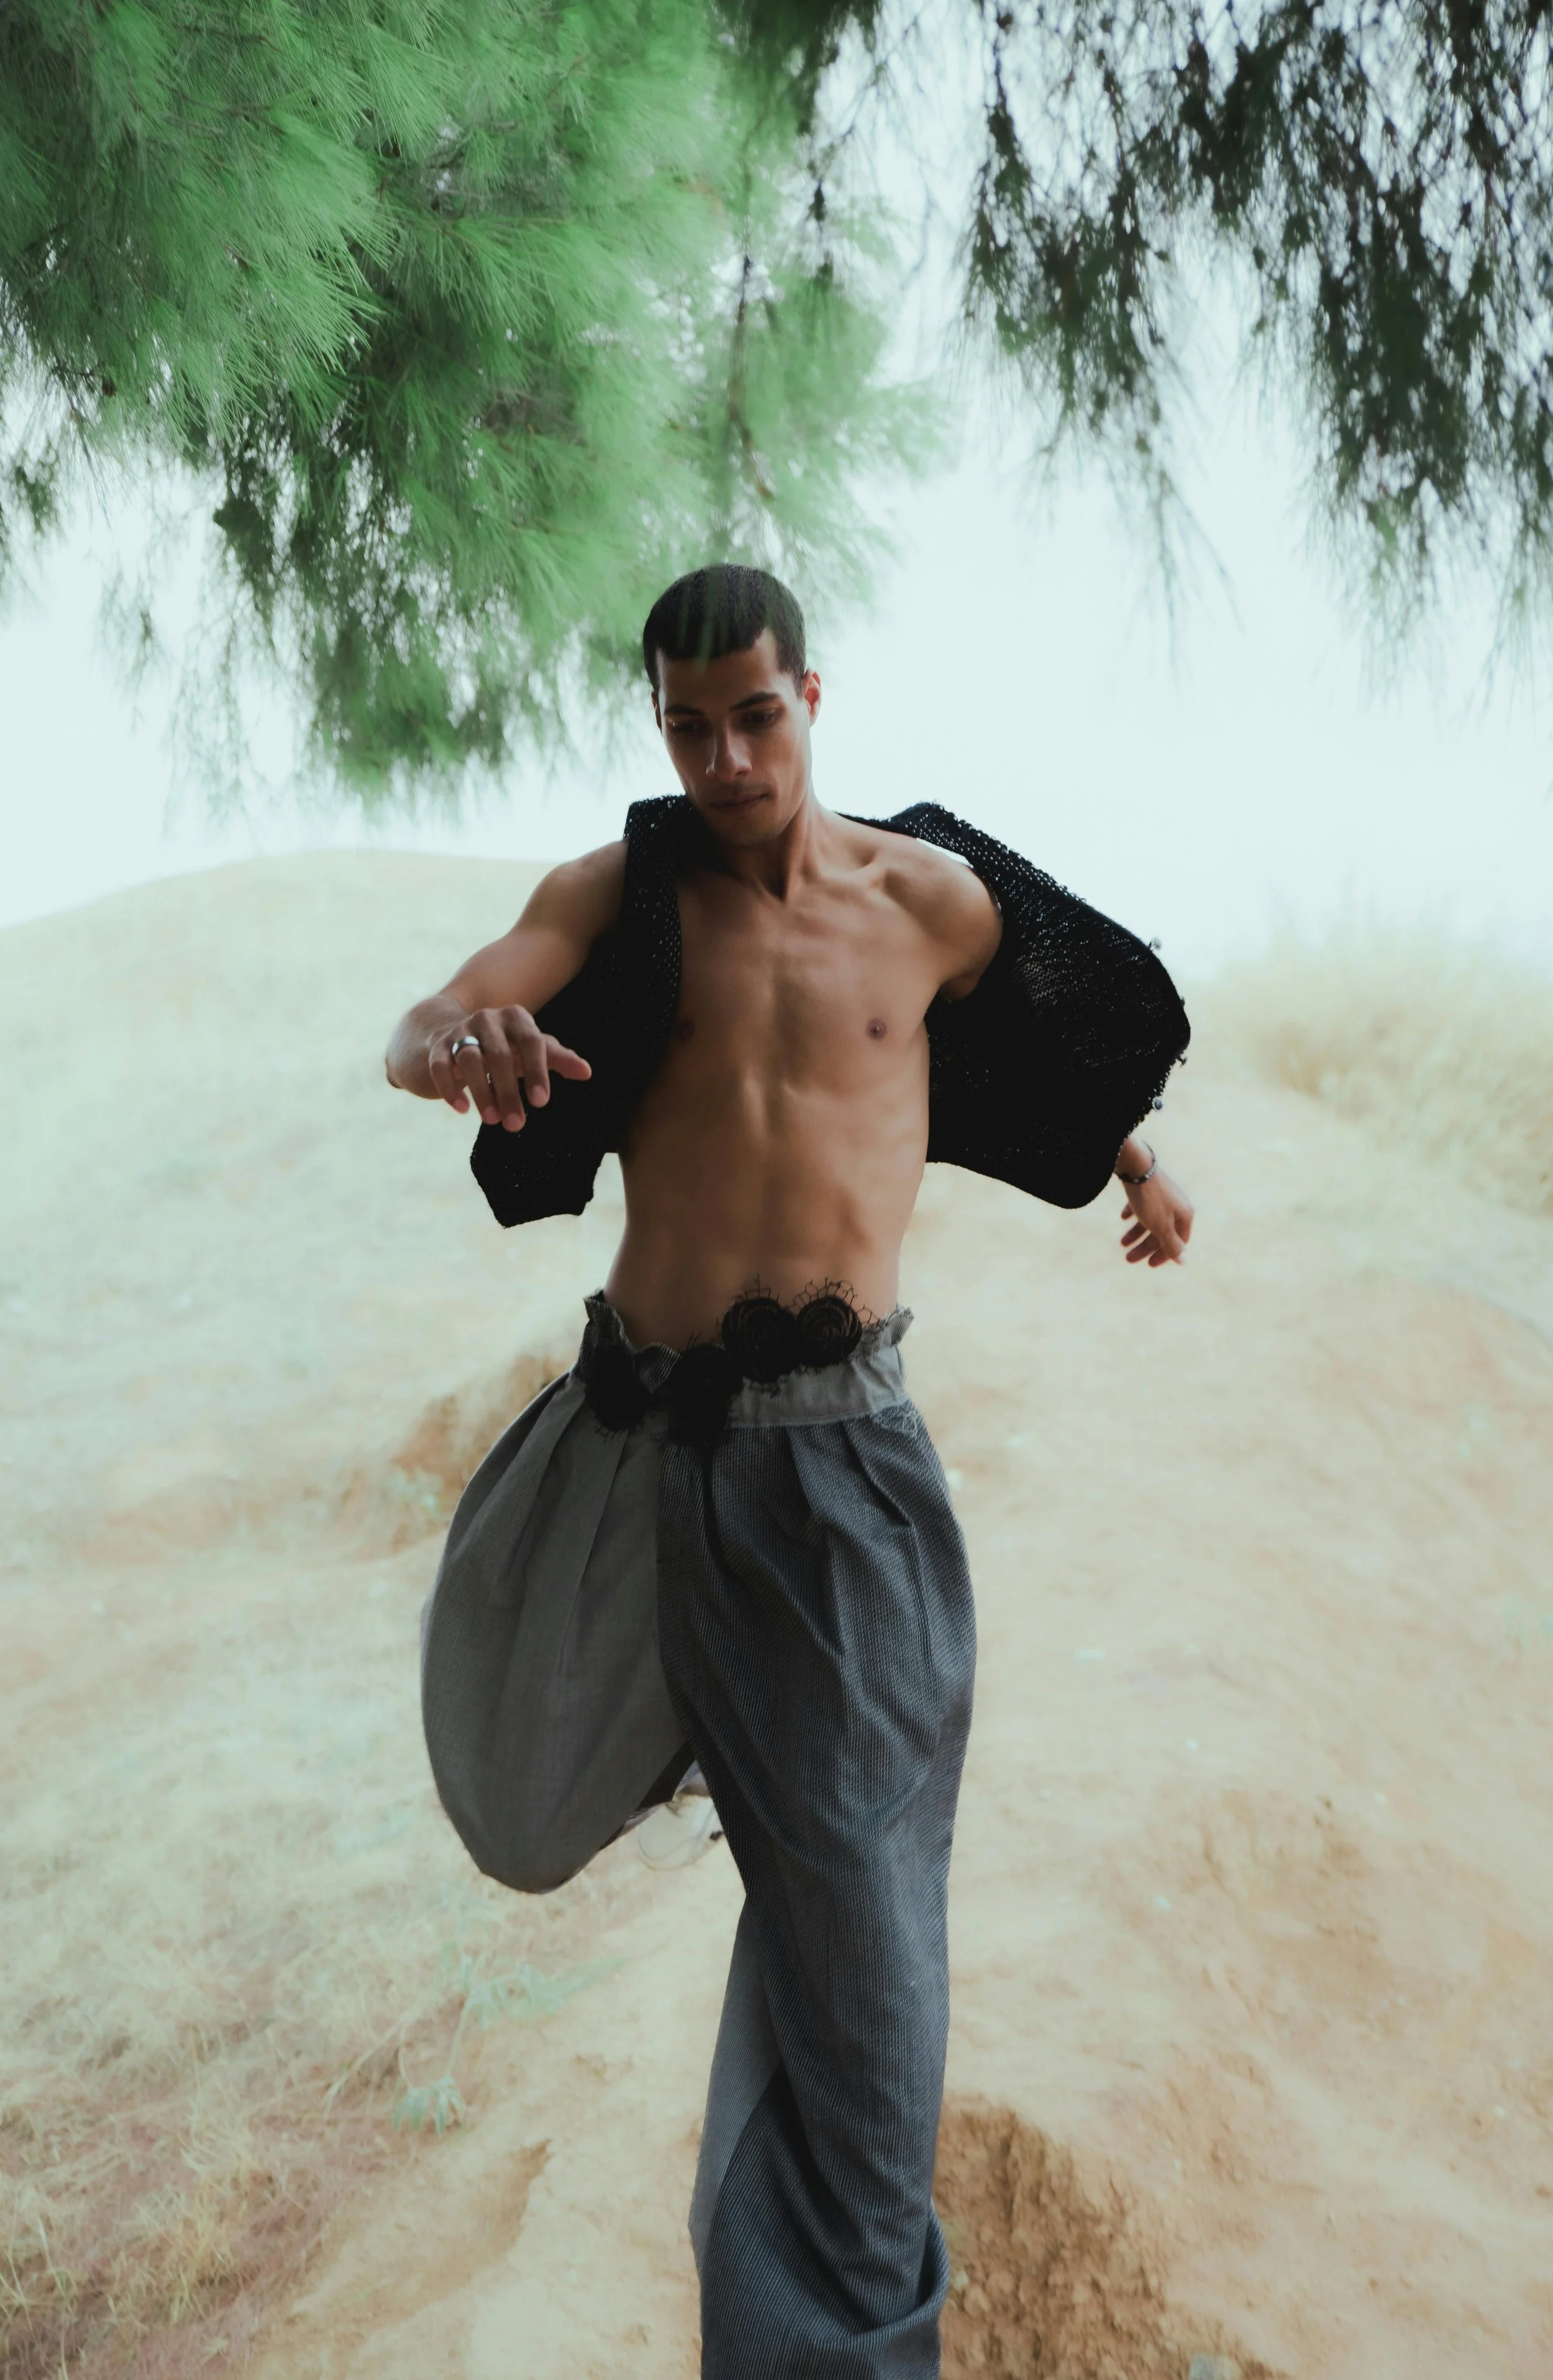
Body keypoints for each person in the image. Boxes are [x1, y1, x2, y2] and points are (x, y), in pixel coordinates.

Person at [385, 565, 1193, 2378]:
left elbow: (1021, 1051)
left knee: (873, 1996)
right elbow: (431, 1015)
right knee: (518, 1823)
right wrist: (462, 1050)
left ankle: (832, 2355)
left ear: (811, 694)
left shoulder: (929, 902)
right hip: (635, 1438)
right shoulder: (620, 896)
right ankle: (729, 1749)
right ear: (658, 725)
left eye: (755, 715)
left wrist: (1129, 1154)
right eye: (688, 726)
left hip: (838, 1475)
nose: (727, 756)